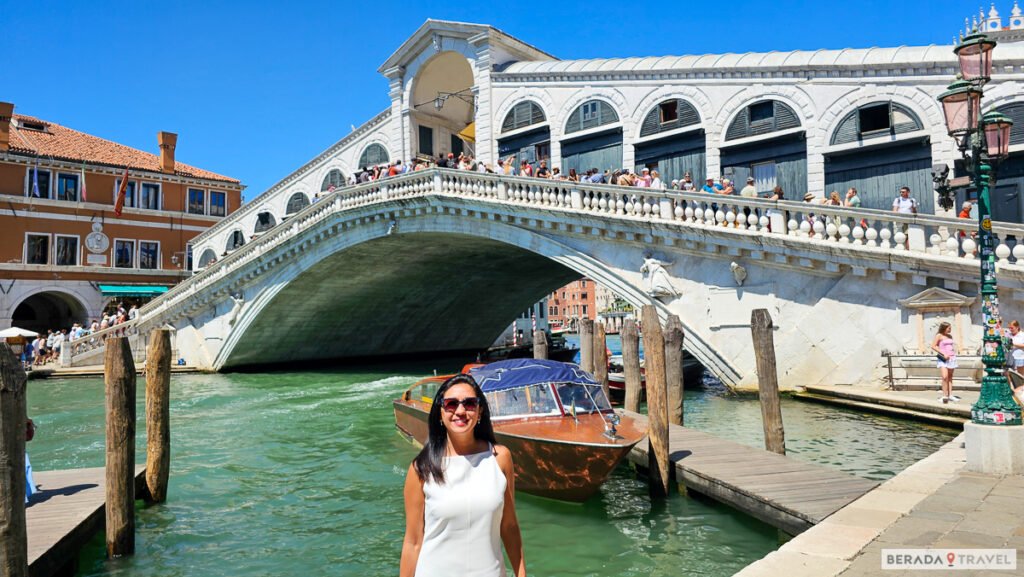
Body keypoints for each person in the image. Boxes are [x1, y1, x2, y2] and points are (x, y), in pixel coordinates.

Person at [400, 374, 526, 577]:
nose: (460, 411)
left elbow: (509, 526)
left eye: (469, 403)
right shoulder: (421, 468)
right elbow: (413, 542)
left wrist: (521, 574)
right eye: (451, 404)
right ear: (440, 413)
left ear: (480, 410)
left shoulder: (500, 458)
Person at [931, 322, 960, 403]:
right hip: (943, 358)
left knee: (950, 377)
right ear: (944, 328)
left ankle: (950, 395)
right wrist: (943, 353)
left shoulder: (950, 336)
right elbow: (933, 346)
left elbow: (951, 346)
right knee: (944, 377)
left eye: (950, 328)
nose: (950, 329)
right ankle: (944, 396)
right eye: (949, 328)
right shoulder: (939, 335)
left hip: (952, 357)